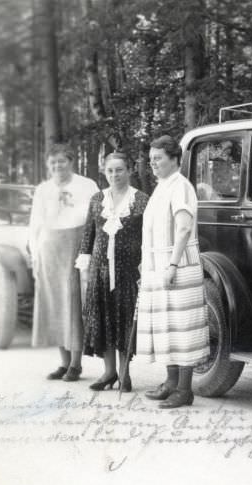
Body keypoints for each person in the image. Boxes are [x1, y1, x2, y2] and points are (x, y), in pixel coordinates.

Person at [136, 135, 209, 409]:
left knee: (182, 328)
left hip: (177, 266)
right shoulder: (162, 186)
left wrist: (172, 265)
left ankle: (184, 390)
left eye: (159, 158)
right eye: (151, 159)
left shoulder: (181, 186)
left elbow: (183, 228)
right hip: (159, 266)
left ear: (175, 160)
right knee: (165, 327)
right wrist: (148, 261)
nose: (153, 163)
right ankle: (170, 382)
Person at [76, 153, 149, 391]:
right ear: (104, 172)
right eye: (110, 171)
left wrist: (146, 265)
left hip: (129, 272)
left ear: (129, 170)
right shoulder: (98, 199)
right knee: (103, 320)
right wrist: (85, 265)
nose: (115, 175)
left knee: (125, 320)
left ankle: (125, 374)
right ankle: (108, 373)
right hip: (100, 271)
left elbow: (149, 236)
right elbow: (89, 234)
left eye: (119, 170)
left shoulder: (141, 200)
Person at [29, 143, 99, 381]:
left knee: (74, 303)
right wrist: (35, 255)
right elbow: (35, 224)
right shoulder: (43, 189)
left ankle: (76, 364)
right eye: (53, 162)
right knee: (55, 303)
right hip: (49, 248)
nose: (57, 166)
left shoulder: (87, 185)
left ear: (71, 161)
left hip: (76, 246)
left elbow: (96, 220)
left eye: (62, 161)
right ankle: (64, 362)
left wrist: (90, 253)